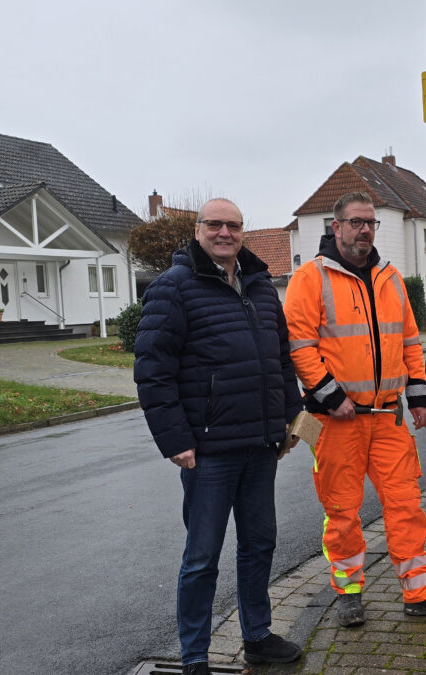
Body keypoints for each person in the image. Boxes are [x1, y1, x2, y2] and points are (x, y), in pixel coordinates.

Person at [134, 198, 304, 674]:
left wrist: (290, 421)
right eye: (214, 224)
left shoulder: (261, 286)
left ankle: (257, 636)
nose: (224, 232)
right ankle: (194, 657)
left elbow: (279, 360)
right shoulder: (174, 287)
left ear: (243, 232)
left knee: (259, 545)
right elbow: (152, 371)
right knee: (202, 557)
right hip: (207, 451)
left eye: (233, 225)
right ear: (199, 230)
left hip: (260, 446)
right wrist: (175, 440)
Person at [284, 191, 426, 628]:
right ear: (336, 226)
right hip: (334, 422)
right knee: (342, 513)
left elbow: (408, 342)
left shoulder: (390, 278)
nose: (365, 229)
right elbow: (299, 346)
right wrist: (331, 396)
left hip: (388, 418)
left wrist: (418, 396)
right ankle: (348, 594)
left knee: (406, 506)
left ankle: (420, 593)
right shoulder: (311, 278)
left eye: (371, 223)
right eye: (356, 222)